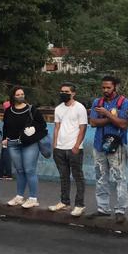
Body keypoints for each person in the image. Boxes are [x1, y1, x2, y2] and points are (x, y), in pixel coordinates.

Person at [87, 76, 128, 224]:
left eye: (109, 87)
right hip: (99, 144)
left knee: (120, 178)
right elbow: (93, 122)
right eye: (104, 87)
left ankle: (120, 210)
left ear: (115, 87)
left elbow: (124, 124)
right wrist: (113, 118)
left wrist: (106, 114)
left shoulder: (124, 103)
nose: (106, 90)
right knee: (100, 177)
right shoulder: (97, 102)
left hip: (116, 146)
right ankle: (103, 208)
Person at [2, 86, 47, 210]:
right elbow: (6, 126)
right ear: (13, 96)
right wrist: (4, 138)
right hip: (12, 144)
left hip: (29, 143)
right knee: (19, 170)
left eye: (22, 94)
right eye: (18, 94)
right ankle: (19, 196)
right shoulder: (9, 111)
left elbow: (42, 124)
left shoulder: (32, 110)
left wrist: (34, 128)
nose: (21, 96)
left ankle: (33, 198)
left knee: (29, 170)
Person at [49, 82, 88, 217]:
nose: (63, 94)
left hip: (74, 148)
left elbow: (83, 128)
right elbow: (57, 127)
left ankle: (79, 205)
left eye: (66, 92)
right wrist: (54, 145)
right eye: (62, 91)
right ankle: (64, 201)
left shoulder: (80, 108)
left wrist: (77, 145)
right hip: (59, 148)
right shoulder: (58, 108)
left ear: (73, 93)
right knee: (63, 177)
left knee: (78, 177)